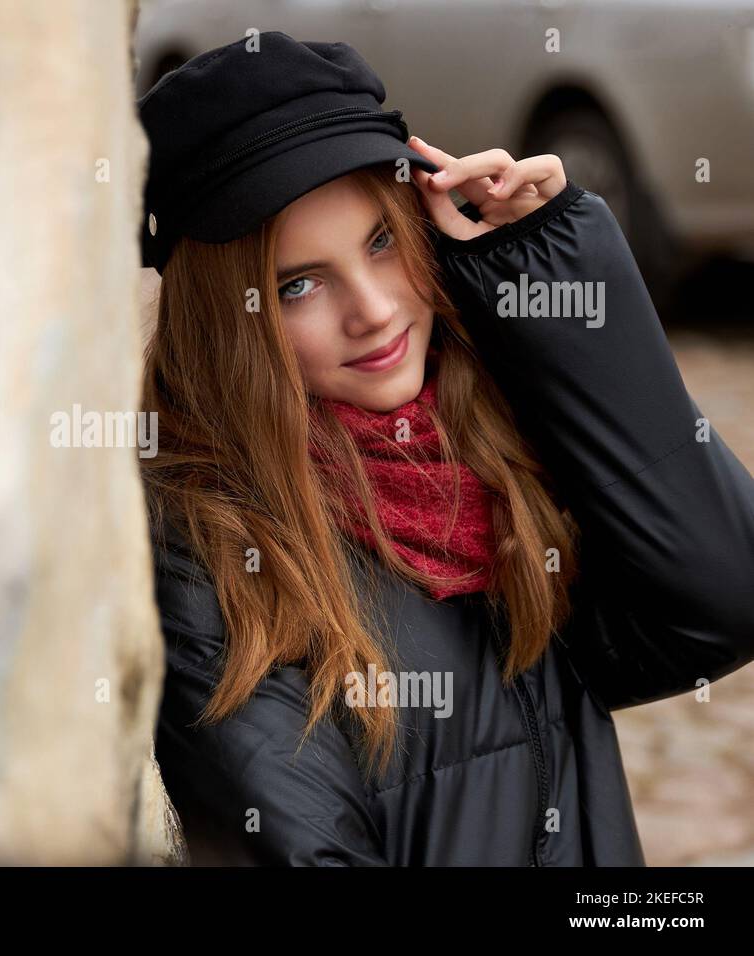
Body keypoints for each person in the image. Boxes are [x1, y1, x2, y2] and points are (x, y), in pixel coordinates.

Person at [138, 31, 754, 866]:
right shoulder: (214, 561)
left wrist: (555, 280)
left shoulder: (491, 451)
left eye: (382, 243)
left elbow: (719, 603)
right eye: (299, 284)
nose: (375, 310)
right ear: (228, 324)